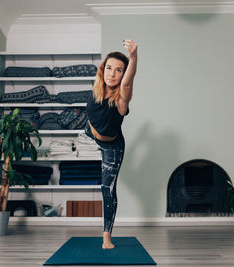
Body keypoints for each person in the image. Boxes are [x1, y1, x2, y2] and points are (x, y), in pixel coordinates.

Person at [85, 39, 138, 249]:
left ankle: (106, 236)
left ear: (124, 74)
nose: (112, 74)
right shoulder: (97, 87)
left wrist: (133, 56)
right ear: (103, 69)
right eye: (109, 68)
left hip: (112, 146)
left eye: (118, 70)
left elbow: (127, 82)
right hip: (90, 132)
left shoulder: (122, 98)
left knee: (107, 189)